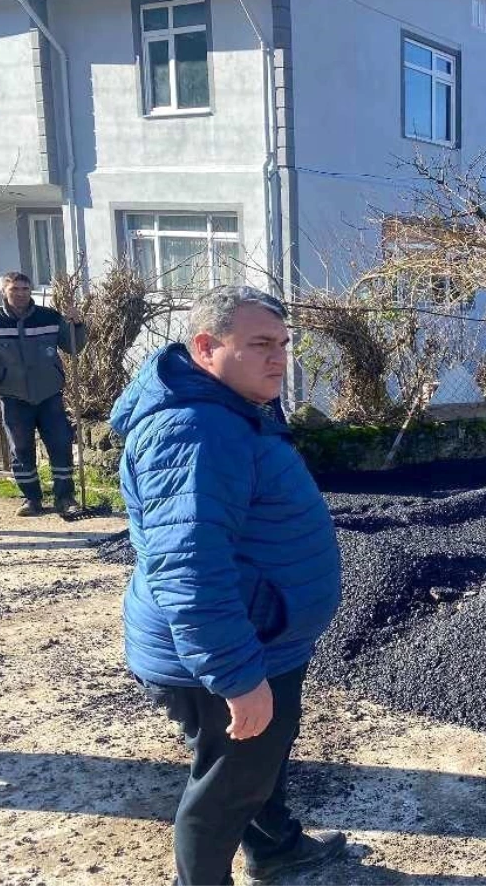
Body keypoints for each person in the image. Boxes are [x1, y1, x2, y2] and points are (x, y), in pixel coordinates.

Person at [110, 286, 345, 886]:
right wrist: (238, 677)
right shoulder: (195, 429)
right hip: (228, 651)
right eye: (261, 344)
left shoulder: (229, 404)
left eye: (284, 345)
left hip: (261, 635)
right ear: (207, 346)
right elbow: (190, 566)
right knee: (226, 788)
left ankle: (276, 848)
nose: (279, 359)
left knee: (257, 764)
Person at [0, 271, 86, 517]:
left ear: (30, 292)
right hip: (13, 396)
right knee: (21, 449)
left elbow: (73, 347)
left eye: (25, 289)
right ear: (4, 291)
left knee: (60, 444)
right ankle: (31, 499)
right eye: (14, 289)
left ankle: (65, 497)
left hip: (49, 394)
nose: (20, 294)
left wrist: (77, 324)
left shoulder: (49, 317)